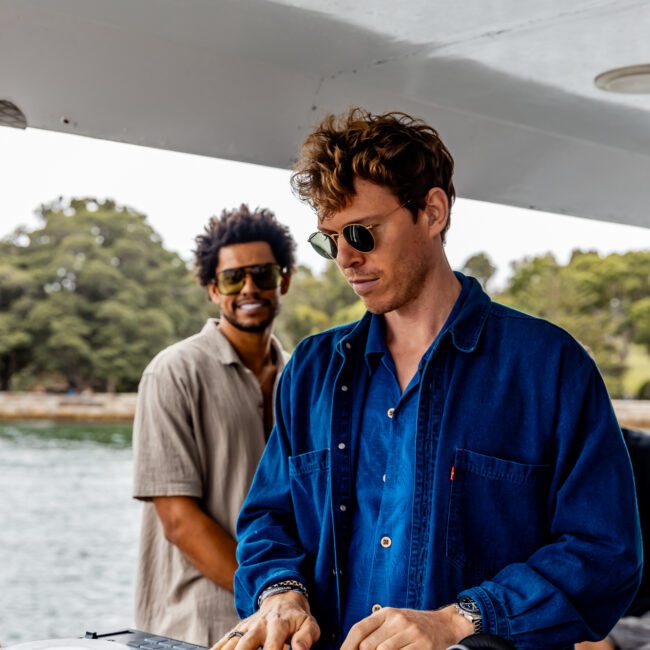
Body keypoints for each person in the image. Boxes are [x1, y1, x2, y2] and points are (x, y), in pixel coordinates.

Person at [215, 109, 642, 650]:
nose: (345, 259)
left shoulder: (550, 367)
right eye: (329, 241)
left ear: (433, 211)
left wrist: (458, 618)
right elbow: (269, 519)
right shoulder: (311, 371)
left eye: (360, 233)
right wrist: (280, 592)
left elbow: (604, 551)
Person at [132, 205, 295, 645]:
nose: (249, 288)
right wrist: (272, 598)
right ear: (211, 289)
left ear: (285, 279)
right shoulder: (172, 372)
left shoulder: (301, 379)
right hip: (193, 627)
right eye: (232, 277)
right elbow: (180, 521)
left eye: (262, 274)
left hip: (284, 630)